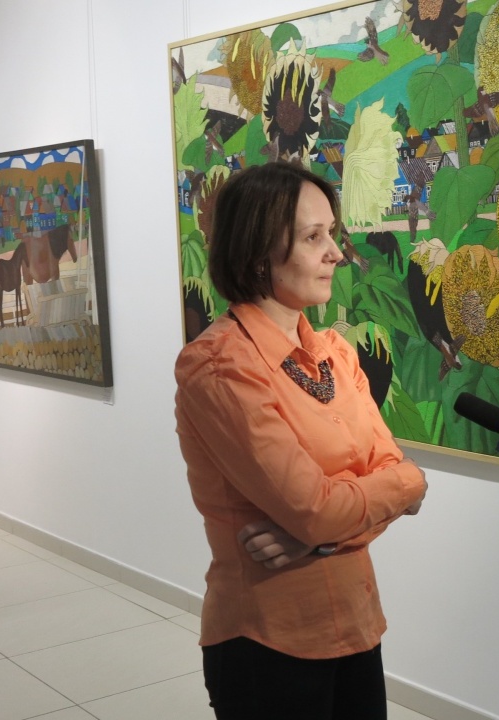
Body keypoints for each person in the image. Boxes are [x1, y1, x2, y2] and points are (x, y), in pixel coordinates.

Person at [174, 161, 428, 719]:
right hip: (267, 641)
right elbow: (318, 507)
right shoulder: (219, 366)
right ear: (257, 254)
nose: (335, 253)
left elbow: (380, 483)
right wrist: (404, 485)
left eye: (331, 234)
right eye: (314, 237)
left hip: (357, 627)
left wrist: (322, 542)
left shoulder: (336, 354)